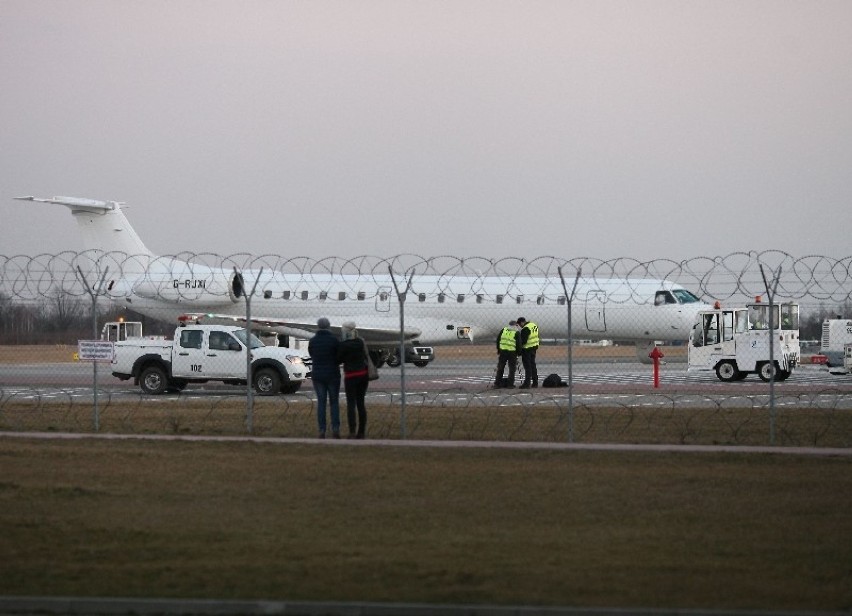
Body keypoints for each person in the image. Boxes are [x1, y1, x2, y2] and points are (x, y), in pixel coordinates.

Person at [307, 317, 341, 438]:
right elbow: (339, 357)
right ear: (328, 326)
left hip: (318, 374)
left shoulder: (313, 341)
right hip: (332, 374)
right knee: (334, 402)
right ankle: (335, 428)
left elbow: (311, 354)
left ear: (318, 326)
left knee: (321, 403)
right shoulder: (334, 340)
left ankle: (322, 430)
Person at [337, 321, 370, 439]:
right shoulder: (360, 342)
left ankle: (352, 431)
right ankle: (361, 432)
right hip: (363, 375)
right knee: (361, 403)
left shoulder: (344, 345)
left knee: (351, 404)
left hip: (351, 376)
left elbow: (338, 360)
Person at [494, 320, 520, 388]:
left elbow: (498, 340)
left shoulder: (504, 330)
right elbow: (519, 344)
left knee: (500, 368)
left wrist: (499, 349)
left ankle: (497, 383)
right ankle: (510, 384)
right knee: (512, 369)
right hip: (512, 353)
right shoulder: (516, 332)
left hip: (503, 352)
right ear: (515, 325)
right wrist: (519, 353)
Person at [516, 317, 540, 389]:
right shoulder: (533, 325)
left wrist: (518, 350)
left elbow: (523, 341)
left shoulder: (525, 329)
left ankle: (527, 383)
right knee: (533, 365)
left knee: (527, 367)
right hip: (534, 347)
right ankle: (535, 382)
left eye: (520, 325)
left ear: (521, 323)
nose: (520, 327)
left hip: (527, 349)